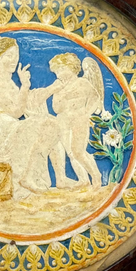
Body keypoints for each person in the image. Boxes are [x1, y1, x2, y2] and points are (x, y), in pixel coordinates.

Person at [0, 35, 62, 197]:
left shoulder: (8, 82)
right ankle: (28, 177)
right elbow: (17, 112)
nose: (14, 60)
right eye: (9, 56)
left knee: (51, 124)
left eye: (16, 56)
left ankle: (45, 177)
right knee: (45, 125)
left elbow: (22, 108)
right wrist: (25, 86)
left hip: (8, 126)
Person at [49, 53, 104, 189]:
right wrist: (61, 95)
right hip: (63, 121)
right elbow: (56, 108)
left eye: (61, 69)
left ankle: (96, 176)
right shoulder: (59, 87)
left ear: (72, 67)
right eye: (56, 71)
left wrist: (86, 113)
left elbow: (95, 98)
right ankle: (83, 180)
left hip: (79, 120)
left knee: (78, 151)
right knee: (71, 153)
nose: (58, 73)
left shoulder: (82, 83)